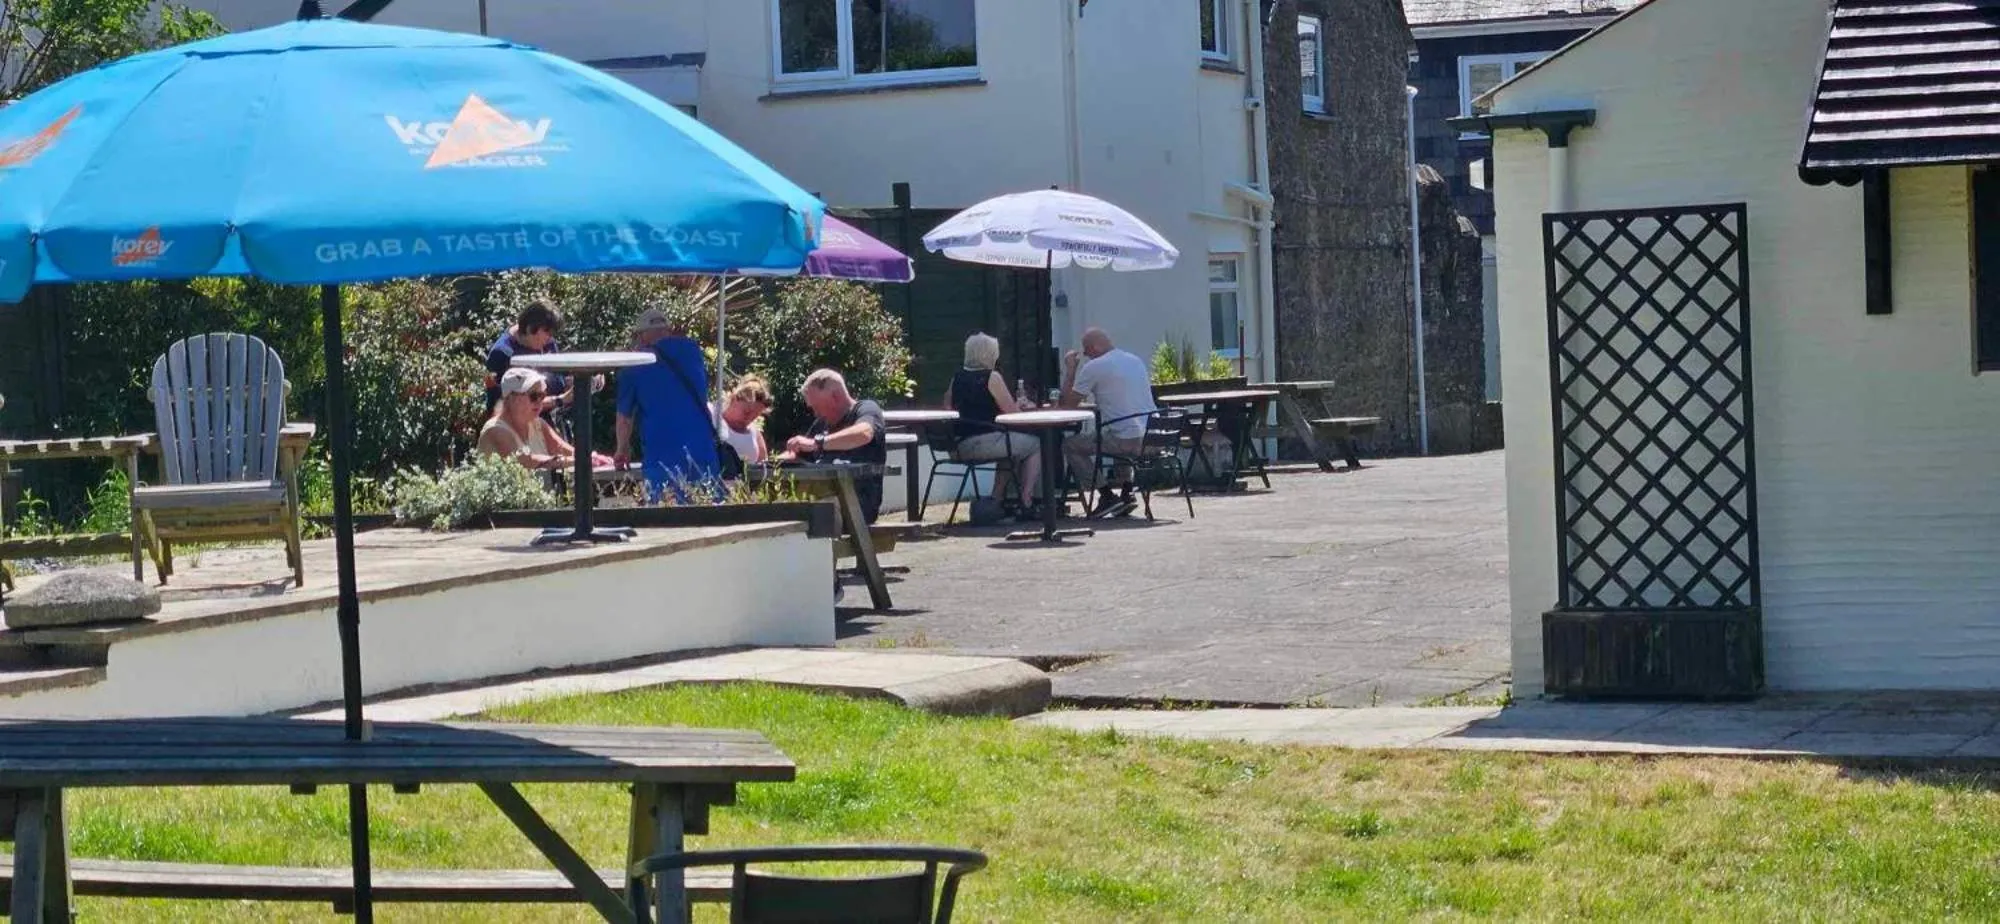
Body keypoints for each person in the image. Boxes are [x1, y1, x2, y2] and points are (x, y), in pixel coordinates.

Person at [613, 305, 722, 500]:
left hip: (662, 455)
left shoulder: (634, 365)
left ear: (641, 336)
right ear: (669, 331)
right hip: (702, 450)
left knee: (665, 517)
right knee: (709, 512)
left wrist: (622, 449)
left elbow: (624, 418)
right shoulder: (692, 351)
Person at [1060, 327, 1156, 516]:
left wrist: (1071, 370)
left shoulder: (1095, 367)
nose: (1086, 355)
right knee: (1118, 430)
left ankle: (1106, 495)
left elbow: (1068, 404)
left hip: (1129, 441)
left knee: (1070, 445)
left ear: (1095, 346)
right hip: (1153, 438)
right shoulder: (1134, 360)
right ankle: (1127, 493)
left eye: (1086, 350)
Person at [943, 332, 1041, 518]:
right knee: (1034, 444)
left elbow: (948, 407)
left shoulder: (956, 378)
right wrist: (1022, 407)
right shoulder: (992, 377)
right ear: (990, 355)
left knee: (1011, 450)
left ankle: (996, 500)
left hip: (958, 446)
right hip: (983, 443)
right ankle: (1027, 500)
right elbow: (1013, 415)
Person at [784, 368, 888, 524]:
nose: (815, 413)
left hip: (857, 506)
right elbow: (797, 456)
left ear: (836, 397)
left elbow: (864, 433)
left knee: (804, 514)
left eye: (816, 406)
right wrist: (769, 463)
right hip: (822, 499)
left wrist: (817, 443)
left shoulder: (865, 409)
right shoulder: (821, 423)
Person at [483, 300, 589, 418]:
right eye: (547, 333)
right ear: (529, 328)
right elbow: (505, 406)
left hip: (552, 421)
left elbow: (559, 377)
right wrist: (560, 400)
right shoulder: (502, 353)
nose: (550, 339)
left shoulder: (547, 344)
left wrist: (580, 381)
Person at [477, 368, 576, 474]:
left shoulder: (538, 424)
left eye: (542, 395)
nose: (539, 401)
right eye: (533, 396)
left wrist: (589, 458)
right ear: (511, 398)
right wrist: (576, 461)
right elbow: (525, 462)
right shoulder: (495, 430)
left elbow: (563, 450)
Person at [712, 376, 774, 467]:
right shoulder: (711, 416)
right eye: (747, 412)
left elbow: (764, 469)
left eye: (754, 417)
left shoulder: (754, 434)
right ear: (734, 398)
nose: (748, 419)